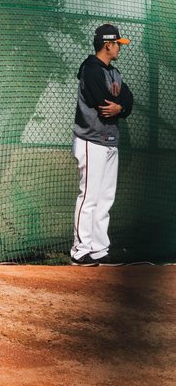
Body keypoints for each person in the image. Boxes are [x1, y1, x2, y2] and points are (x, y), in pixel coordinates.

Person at [70, 23, 133, 267]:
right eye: (118, 44)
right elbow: (102, 103)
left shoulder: (114, 72)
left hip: (110, 140)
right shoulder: (90, 69)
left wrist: (121, 106)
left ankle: (98, 249)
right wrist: (119, 104)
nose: (120, 48)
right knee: (89, 196)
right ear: (108, 44)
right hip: (91, 140)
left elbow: (128, 99)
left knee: (105, 198)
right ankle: (80, 250)